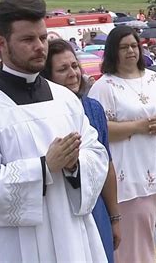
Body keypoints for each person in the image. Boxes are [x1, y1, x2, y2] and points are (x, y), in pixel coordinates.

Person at [0, 0, 109, 261]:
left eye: (43, 38)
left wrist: (76, 165)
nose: (40, 47)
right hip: (17, 247)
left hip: (71, 236)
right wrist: (44, 168)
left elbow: (97, 155)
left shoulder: (66, 99)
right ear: (1, 43)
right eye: (28, 40)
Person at [88, 25, 156, 263]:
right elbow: (98, 131)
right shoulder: (104, 86)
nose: (131, 51)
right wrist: (138, 127)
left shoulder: (155, 79)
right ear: (113, 52)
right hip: (126, 174)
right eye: (124, 47)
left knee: (146, 232)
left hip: (154, 167)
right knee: (129, 240)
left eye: (134, 45)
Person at [40, 39, 121, 263]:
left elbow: (107, 166)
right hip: (64, 210)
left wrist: (114, 217)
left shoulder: (93, 108)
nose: (73, 74)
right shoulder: (45, 114)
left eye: (74, 66)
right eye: (63, 69)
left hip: (97, 208)